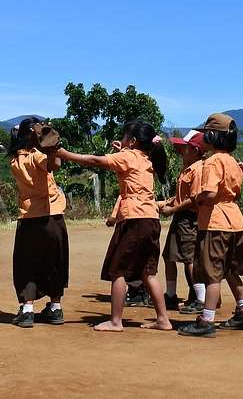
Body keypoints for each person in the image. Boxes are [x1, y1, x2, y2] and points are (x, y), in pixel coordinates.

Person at [58, 121, 172, 332]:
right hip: (151, 219)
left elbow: (95, 160)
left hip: (133, 219)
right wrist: (124, 150)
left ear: (133, 141)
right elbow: (132, 167)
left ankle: (116, 321)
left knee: (118, 271)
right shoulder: (147, 159)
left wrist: (65, 154)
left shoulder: (128, 156)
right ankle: (163, 319)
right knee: (149, 273)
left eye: (126, 136)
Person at [179, 112, 243, 338]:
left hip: (215, 222)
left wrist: (198, 199)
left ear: (212, 136)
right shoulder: (232, 161)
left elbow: (211, 192)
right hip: (234, 220)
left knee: (212, 274)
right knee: (230, 270)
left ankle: (206, 320)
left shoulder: (211, 162)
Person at [8, 118, 68, 327]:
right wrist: (50, 141)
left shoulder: (15, 159)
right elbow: (55, 164)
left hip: (28, 217)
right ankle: (55, 308)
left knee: (27, 264)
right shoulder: (36, 156)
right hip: (52, 215)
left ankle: (27, 310)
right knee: (54, 261)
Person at [161, 129, 207, 313]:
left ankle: (201, 300)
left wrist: (172, 209)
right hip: (180, 218)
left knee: (190, 259)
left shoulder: (198, 169)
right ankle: (170, 295)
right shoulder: (187, 168)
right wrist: (167, 203)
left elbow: (194, 198)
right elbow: (182, 195)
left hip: (190, 219)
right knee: (169, 256)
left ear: (195, 150)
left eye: (185, 148)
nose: (181, 151)